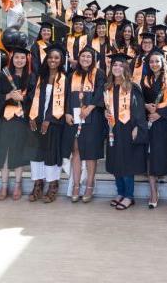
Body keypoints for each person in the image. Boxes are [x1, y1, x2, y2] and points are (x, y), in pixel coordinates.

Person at [104, 52, 148, 211]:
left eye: (120, 65)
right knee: (116, 161)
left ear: (125, 68)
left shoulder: (132, 87)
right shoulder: (108, 87)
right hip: (113, 128)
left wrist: (137, 127)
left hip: (128, 128)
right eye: (114, 65)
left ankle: (129, 196)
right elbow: (107, 107)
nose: (117, 67)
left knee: (127, 162)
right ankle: (120, 192)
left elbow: (139, 110)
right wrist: (106, 114)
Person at [63, 47, 106, 203]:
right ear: (79, 58)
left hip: (93, 117)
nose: (86, 59)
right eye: (83, 56)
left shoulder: (99, 73)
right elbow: (67, 95)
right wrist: (67, 112)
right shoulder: (72, 74)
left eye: (89, 56)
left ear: (92, 59)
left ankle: (89, 185)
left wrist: (90, 108)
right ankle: (75, 185)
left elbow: (101, 91)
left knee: (91, 152)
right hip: (74, 117)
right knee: (76, 150)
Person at [0, 47, 35, 201]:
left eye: (22, 58)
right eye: (16, 57)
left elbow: (33, 98)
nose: (19, 60)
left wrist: (23, 99)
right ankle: (4, 185)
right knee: (5, 152)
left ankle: (17, 184)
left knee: (18, 152)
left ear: (26, 60)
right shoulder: (4, 76)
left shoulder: (31, 77)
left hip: (21, 119)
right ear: (12, 59)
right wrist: (9, 95)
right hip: (6, 118)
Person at [28, 43, 67, 204]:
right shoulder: (40, 78)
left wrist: (49, 119)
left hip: (55, 122)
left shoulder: (65, 79)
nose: (53, 60)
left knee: (51, 153)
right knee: (36, 153)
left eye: (56, 57)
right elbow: (33, 99)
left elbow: (64, 103)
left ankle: (53, 184)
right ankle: (38, 183)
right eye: (50, 57)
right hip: (37, 120)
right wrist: (32, 117)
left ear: (61, 60)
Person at [142, 49, 167, 209]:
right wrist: (146, 107)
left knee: (159, 154)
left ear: (163, 63)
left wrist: (159, 113)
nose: (154, 64)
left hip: (162, 122)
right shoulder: (145, 79)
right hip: (148, 120)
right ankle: (153, 191)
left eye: (157, 61)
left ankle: (157, 183)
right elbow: (139, 98)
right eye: (151, 62)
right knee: (149, 155)